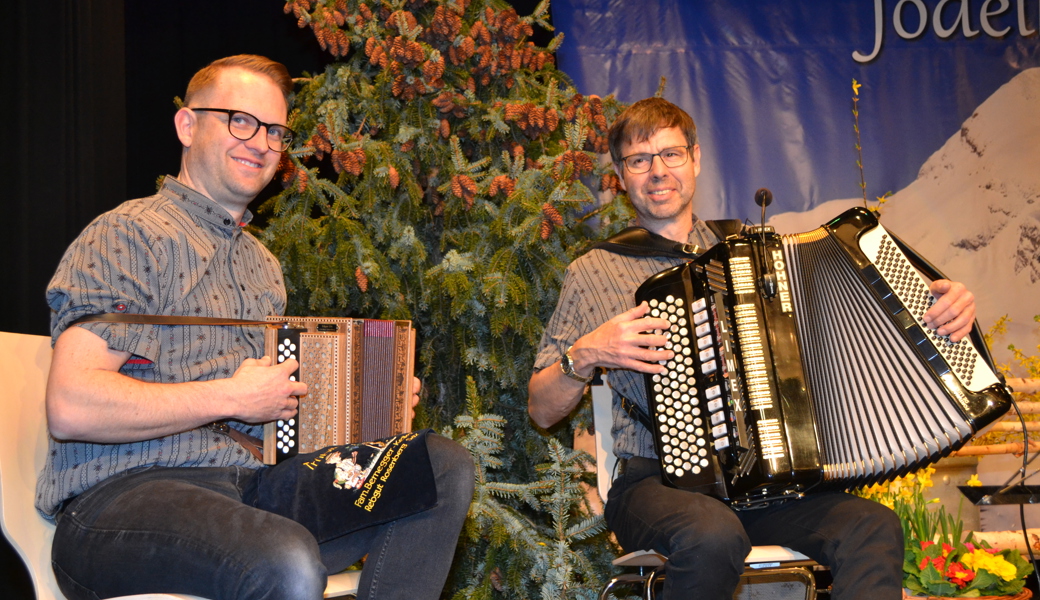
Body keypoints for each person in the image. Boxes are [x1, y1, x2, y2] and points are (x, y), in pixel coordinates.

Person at [39, 54, 474, 600]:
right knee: (284, 558)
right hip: (121, 503)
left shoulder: (263, 266)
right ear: (187, 125)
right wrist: (230, 395)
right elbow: (72, 406)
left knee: (437, 468)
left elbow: (274, 422)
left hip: (249, 490)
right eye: (240, 120)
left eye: (275, 131)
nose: (262, 142)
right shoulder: (127, 234)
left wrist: (372, 412)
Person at [528, 97, 978, 599]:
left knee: (872, 527)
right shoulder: (593, 272)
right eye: (639, 159)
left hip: (768, 485)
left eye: (671, 155)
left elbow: (853, 312)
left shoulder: (752, 252)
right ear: (620, 174)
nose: (658, 171)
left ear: (695, 159)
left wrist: (939, 306)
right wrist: (585, 354)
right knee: (712, 535)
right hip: (653, 484)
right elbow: (541, 409)